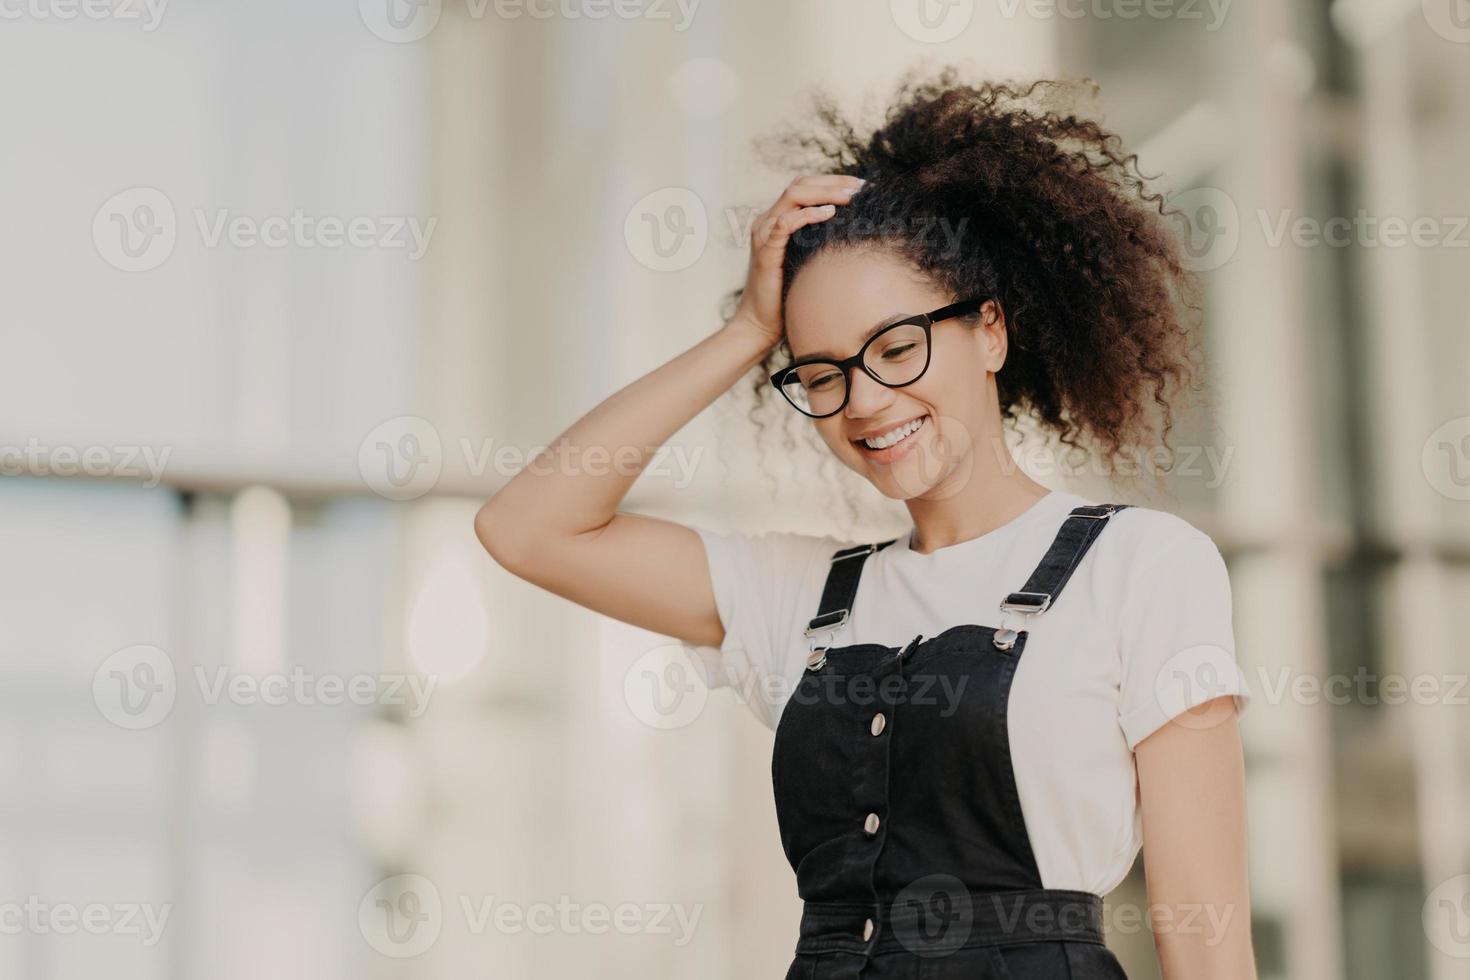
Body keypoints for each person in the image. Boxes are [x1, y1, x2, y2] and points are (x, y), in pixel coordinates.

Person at [474, 68, 1256, 980]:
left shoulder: (1143, 565)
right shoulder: (799, 598)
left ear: (991, 331)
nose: (867, 401)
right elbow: (527, 527)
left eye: (896, 347)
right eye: (822, 373)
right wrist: (742, 333)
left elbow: (1203, 936)